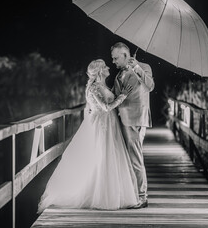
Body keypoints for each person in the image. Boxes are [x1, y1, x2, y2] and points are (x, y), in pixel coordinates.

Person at [37, 59, 139, 213]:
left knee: (109, 157)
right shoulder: (94, 88)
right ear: (99, 72)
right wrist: (123, 96)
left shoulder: (102, 86)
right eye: (104, 66)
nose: (108, 67)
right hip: (102, 125)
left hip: (109, 124)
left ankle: (110, 191)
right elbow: (105, 107)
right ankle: (100, 195)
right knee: (103, 157)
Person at [111, 42, 155, 209]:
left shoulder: (144, 67)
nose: (114, 61)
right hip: (123, 118)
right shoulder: (119, 73)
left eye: (116, 58)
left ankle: (142, 196)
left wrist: (137, 67)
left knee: (135, 157)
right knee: (129, 157)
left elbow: (150, 86)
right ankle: (131, 192)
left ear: (124, 55)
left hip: (136, 118)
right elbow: (118, 94)